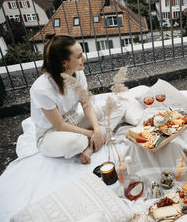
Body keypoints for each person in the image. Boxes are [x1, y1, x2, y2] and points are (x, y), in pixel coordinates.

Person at [30, 34, 126, 164]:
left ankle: (91, 146)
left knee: (118, 105)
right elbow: (60, 125)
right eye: (79, 56)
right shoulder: (41, 89)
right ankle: (95, 140)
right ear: (65, 63)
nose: (84, 58)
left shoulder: (78, 73)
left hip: (75, 119)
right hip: (51, 133)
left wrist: (97, 130)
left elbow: (86, 105)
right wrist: (90, 133)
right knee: (77, 143)